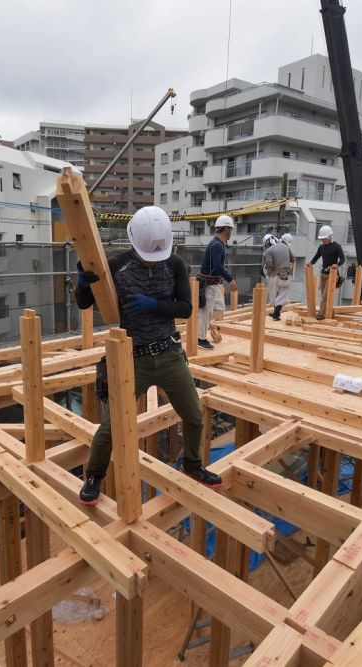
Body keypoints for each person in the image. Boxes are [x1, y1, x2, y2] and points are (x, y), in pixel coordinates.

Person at [75, 206, 222, 506]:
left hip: (168, 352)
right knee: (112, 425)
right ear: (134, 242)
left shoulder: (175, 265)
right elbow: (84, 302)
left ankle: (192, 464)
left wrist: (153, 304)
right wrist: (82, 284)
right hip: (133, 358)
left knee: (194, 415)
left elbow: (185, 308)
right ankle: (94, 475)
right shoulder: (116, 266)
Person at [196, 215, 238, 349]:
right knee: (206, 311)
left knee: (219, 307)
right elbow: (218, 266)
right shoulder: (217, 245)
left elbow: (217, 267)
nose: (231, 232)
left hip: (213, 284)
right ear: (226, 229)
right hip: (208, 284)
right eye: (230, 229)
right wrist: (230, 279)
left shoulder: (218, 244)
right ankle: (200, 339)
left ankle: (203, 325)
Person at [308, 225, 345, 319]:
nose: (322, 241)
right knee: (325, 296)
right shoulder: (321, 247)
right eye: (322, 239)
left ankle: (320, 315)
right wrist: (310, 263)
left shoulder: (336, 246)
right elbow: (316, 257)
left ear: (329, 237)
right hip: (323, 274)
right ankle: (331, 314)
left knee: (325, 296)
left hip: (332, 275)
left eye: (324, 239)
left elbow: (343, 259)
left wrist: (337, 265)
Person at [263, 233, 294, 320]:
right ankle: (276, 313)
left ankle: (276, 313)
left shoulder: (269, 251)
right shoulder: (287, 248)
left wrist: (269, 277)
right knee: (283, 294)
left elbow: (269, 266)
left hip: (274, 275)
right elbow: (293, 259)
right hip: (285, 275)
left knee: (273, 294)